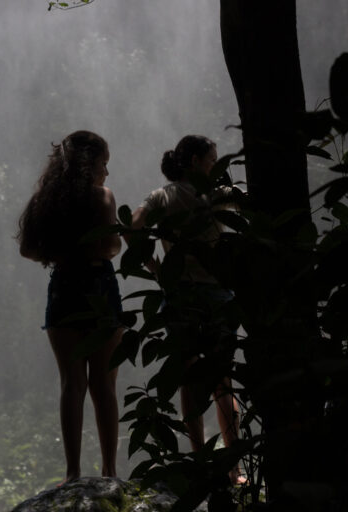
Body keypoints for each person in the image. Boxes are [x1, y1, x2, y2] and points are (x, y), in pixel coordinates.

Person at [129, 134, 246, 484]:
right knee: (222, 382)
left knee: (189, 378)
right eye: (212, 160)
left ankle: (201, 465)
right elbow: (254, 204)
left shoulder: (161, 196)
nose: (215, 165)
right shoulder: (215, 195)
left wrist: (156, 269)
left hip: (179, 298)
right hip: (217, 296)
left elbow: (132, 228)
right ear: (195, 161)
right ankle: (235, 468)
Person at [17, 130, 124, 482]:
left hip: (63, 286)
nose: (106, 172)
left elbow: (29, 249)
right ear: (89, 164)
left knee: (72, 384)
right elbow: (111, 246)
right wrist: (90, 248)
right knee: (104, 385)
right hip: (97, 287)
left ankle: (73, 473)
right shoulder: (102, 197)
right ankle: (109, 472)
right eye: (103, 164)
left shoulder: (45, 201)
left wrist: (64, 252)